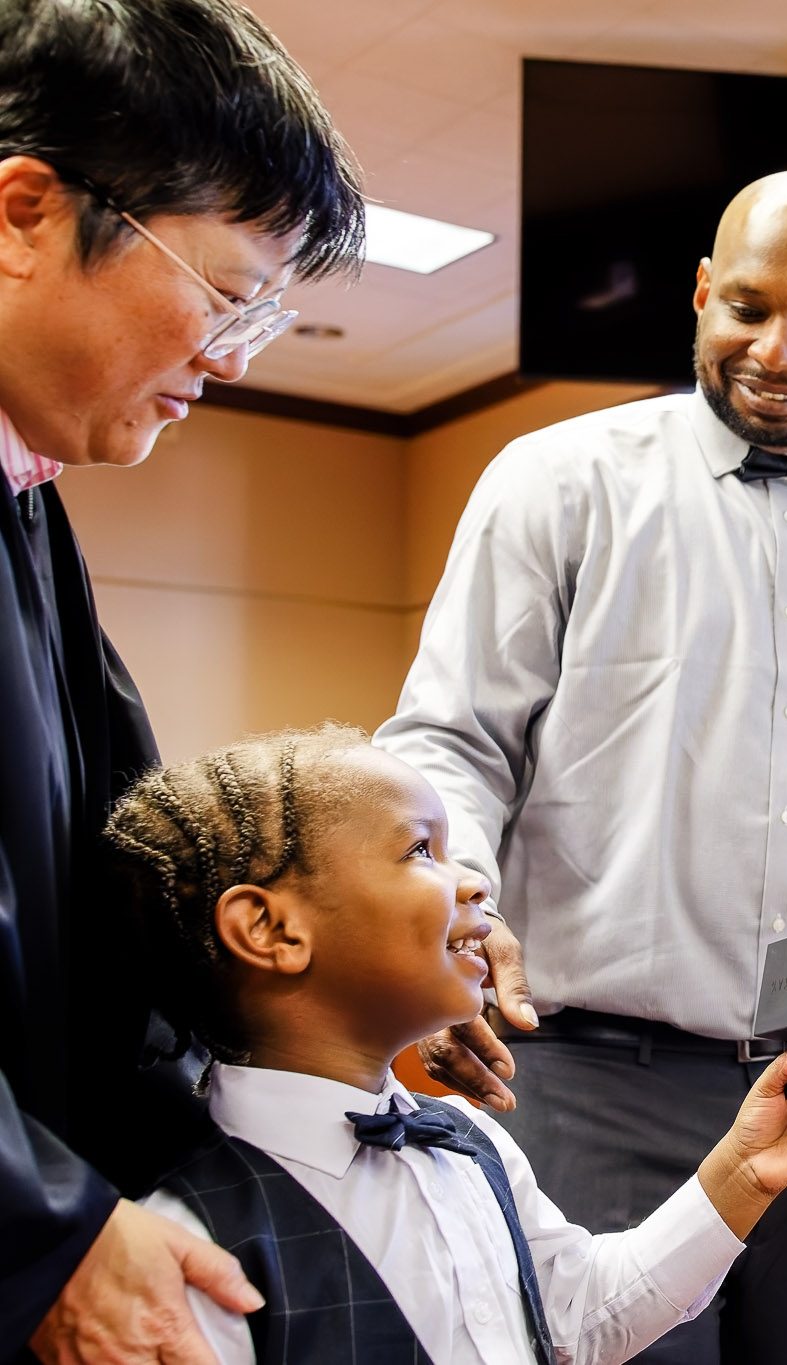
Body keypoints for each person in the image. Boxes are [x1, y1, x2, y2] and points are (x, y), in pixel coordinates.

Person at [376, 169, 787, 1364]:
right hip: (586, 1084)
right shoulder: (560, 483)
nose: (775, 349)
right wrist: (462, 914)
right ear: (696, 297)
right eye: (745, 309)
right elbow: (446, 747)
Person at [104, 725, 787, 1364]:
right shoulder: (185, 1242)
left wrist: (741, 1175)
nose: (476, 884)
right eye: (420, 850)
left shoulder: (470, 1141)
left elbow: (581, 1319)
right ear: (271, 928)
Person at [0, 1, 364, 1357]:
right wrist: (42, 1228)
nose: (227, 357)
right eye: (224, 295)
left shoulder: (32, 501)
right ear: (25, 212)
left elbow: (112, 861)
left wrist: (327, 1015)